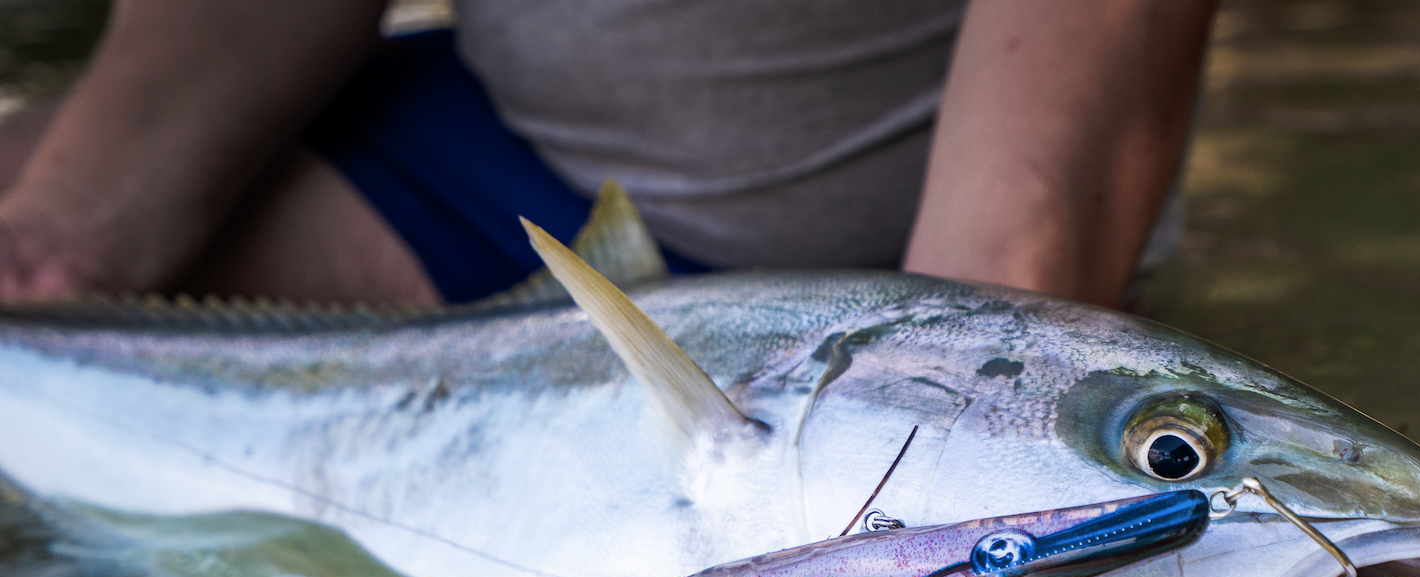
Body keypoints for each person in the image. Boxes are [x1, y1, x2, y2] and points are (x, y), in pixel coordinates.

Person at [0, 0, 1215, 311]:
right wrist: (54, 241)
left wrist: (917, 469)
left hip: (877, 263)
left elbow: (1032, 203)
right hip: (491, 157)